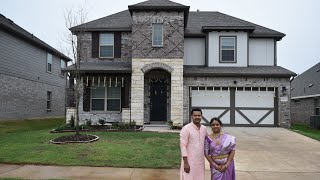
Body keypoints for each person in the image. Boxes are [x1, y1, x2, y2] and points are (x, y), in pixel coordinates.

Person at [180, 108, 208, 180]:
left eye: (199, 115)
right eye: (195, 115)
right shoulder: (186, 129)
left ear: (201, 116)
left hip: (200, 162)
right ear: (191, 116)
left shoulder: (204, 129)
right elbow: (183, 146)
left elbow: (209, 142)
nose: (197, 117)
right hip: (189, 161)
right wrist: (185, 163)